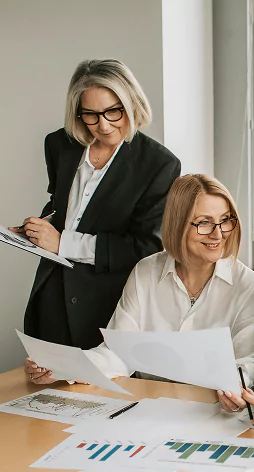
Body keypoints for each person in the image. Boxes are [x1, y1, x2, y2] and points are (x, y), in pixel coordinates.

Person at [25, 174, 254, 413]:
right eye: (204, 223)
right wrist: (62, 367)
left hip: (215, 411)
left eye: (226, 220)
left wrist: (234, 388)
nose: (218, 234)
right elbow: (116, 352)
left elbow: (249, 361)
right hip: (149, 408)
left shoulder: (249, 286)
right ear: (177, 224)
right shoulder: (146, 272)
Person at [12, 59, 181, 350]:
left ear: (131, 103)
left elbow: (145, 247)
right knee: (44, 389)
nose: (103, 125)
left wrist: (63, 243)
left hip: (106, 304)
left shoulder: (159, 164)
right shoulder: (59, 145)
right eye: (90, 115)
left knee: (96, 391)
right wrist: (41, 226)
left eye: (113, 111)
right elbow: (62, 205)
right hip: (51, 292)